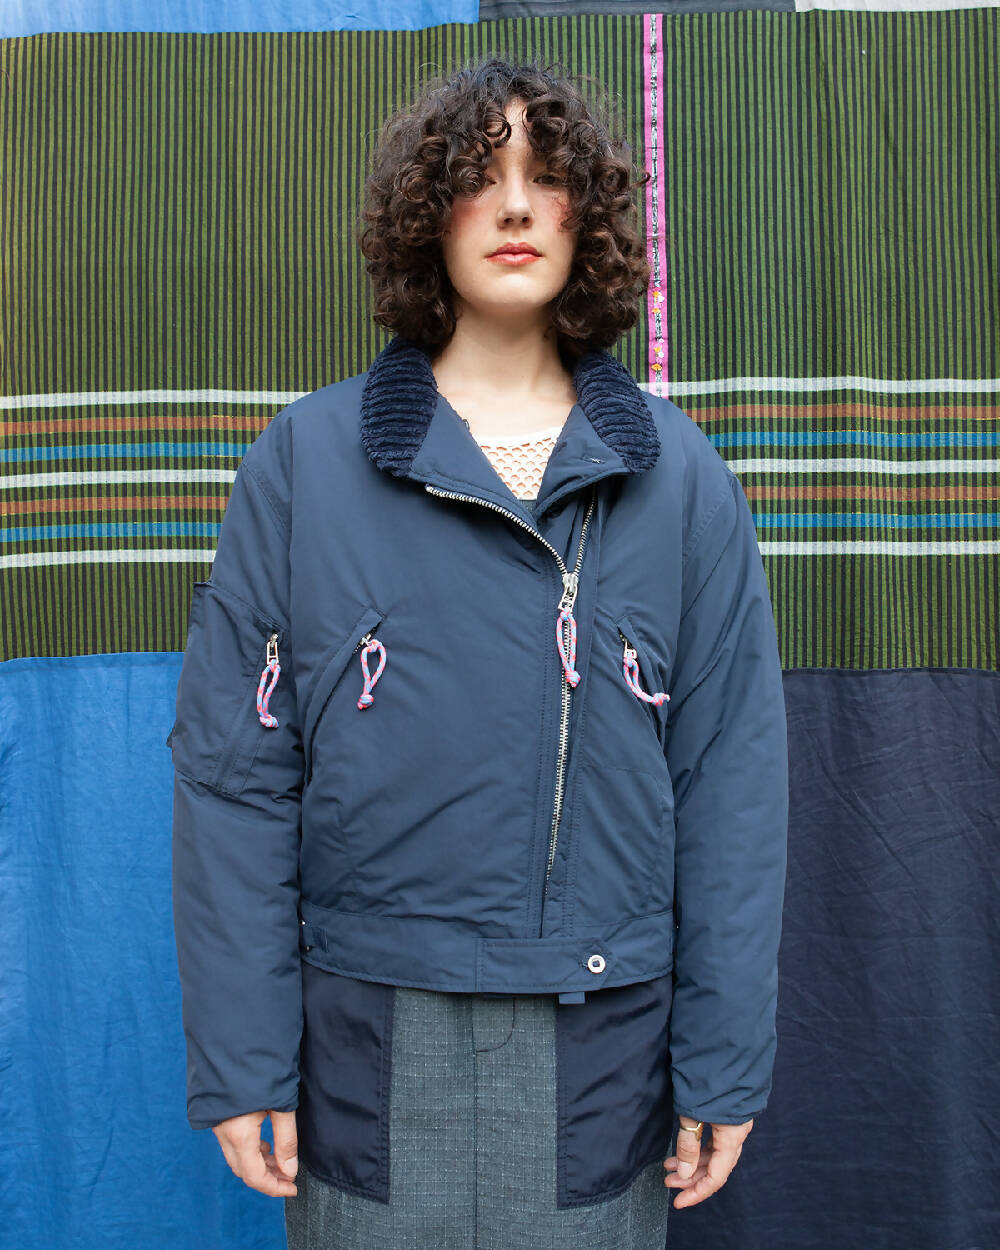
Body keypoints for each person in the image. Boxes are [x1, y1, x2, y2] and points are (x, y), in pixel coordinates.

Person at [168, 56, 789, 1249]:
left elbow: (731, 787)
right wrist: (242, 1054)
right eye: (477, 174)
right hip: (367, 1042)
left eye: (547, 177)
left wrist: (724, 1061)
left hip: (600, 1040)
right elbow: (235, 778)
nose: (514, 206)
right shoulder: (304, 465)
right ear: (426, 213)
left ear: (588, 215)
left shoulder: (678, 480)